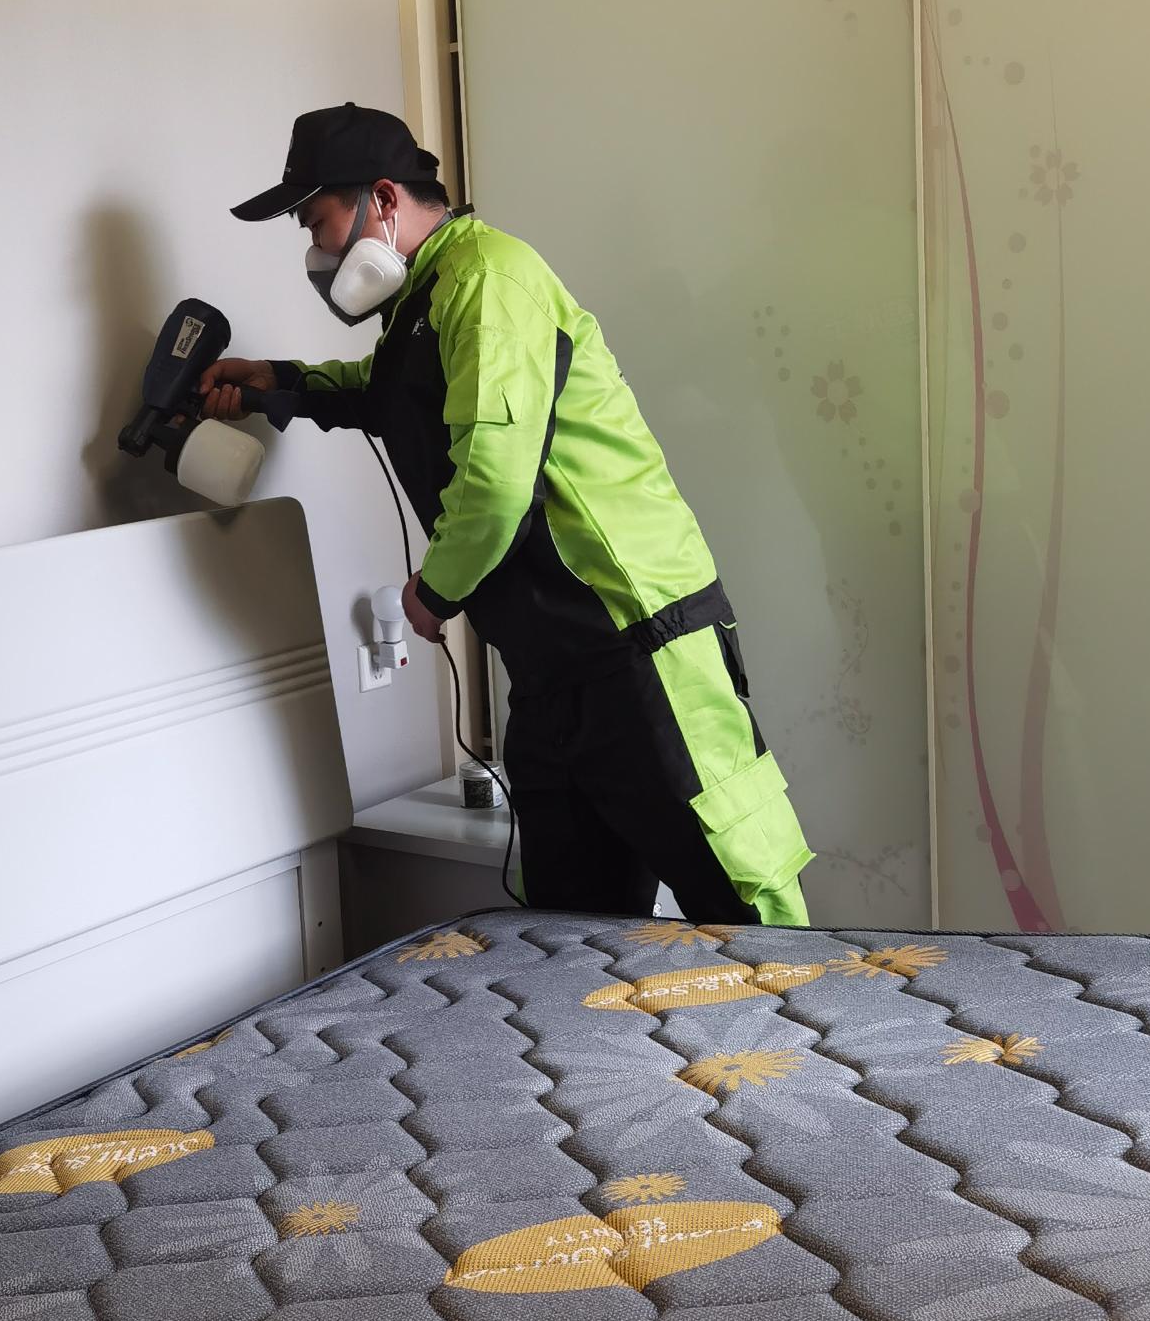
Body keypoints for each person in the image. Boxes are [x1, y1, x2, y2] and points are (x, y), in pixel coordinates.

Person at [205, 101, 811, 926]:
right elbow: (389, 394)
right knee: (568, 928)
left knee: (744, 907)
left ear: (382, 200)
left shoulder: (490, 280)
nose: (316, 254)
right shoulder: (427, 298)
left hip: (635, 644)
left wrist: (432, 593)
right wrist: (277, 382)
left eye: (319, 224)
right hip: (551, 669)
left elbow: (495, 485)